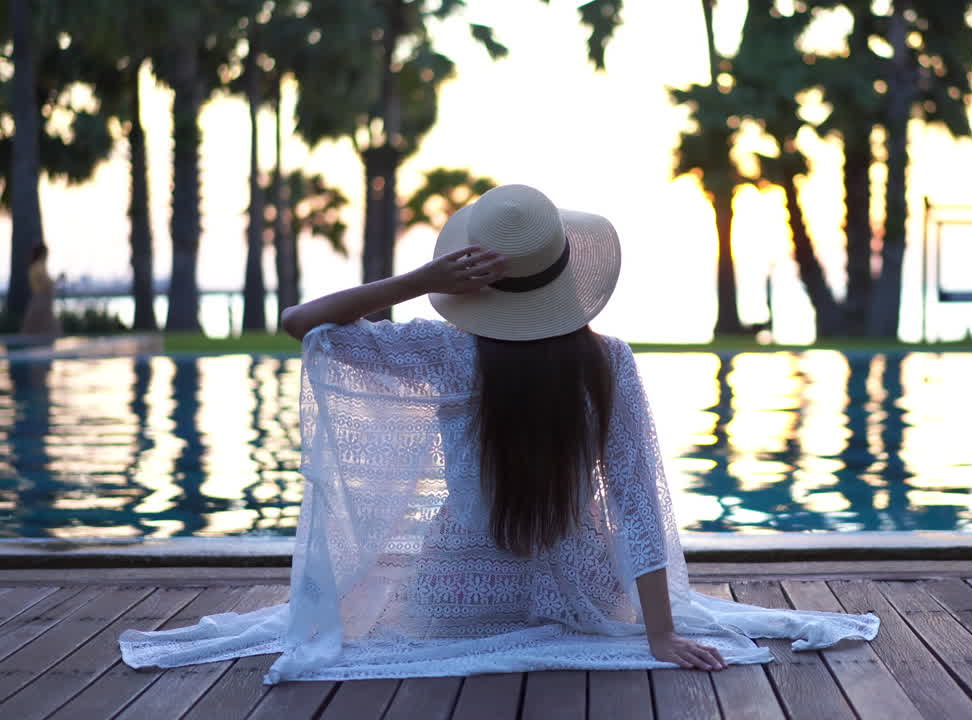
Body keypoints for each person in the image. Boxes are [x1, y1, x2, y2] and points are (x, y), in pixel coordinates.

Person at [118, 184, 878, 683]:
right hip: (581, 588)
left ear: (472, 283)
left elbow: (301, 324)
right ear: (563, 274)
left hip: (457, 594)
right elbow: (637, 506)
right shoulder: (607, 361)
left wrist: (421, 280)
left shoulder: (443, 349)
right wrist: (658, 635)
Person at [21, 243, 60, 336]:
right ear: (43, 253)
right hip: (42, 300)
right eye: (46, 253)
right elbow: (46, 283)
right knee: (42, 325)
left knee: (37, 326)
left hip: (40, 299)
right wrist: (58, 279)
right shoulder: (38, 267)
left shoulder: (36, 266)